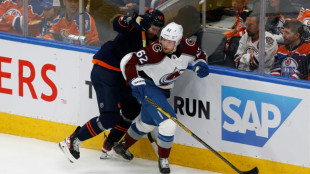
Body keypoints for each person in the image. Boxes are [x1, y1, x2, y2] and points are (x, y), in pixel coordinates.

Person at [58, 9, 165, 162]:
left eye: (157, 29)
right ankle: (73, 140)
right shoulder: (135, 25)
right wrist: (129, 20)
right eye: (153, 28)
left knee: (132, 108)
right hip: (106, 69)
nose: (154, 31)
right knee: (109, 118)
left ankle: (110, 144)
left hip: (123, 77)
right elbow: (117, 22)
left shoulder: (154, 42)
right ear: (146, 22)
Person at [112, 22, 209, 174]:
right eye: (163, 39)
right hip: (149, 87)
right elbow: (130, 61)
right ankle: (163, 159)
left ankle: (122, 146)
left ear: (178, 41)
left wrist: (201, 63)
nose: (164, 44)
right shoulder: (154, 50)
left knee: (147, 124)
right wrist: (133, 80)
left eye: (169, 42)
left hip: (164, 91)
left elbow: (200, 54)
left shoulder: (189, 46)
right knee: (169, 123)